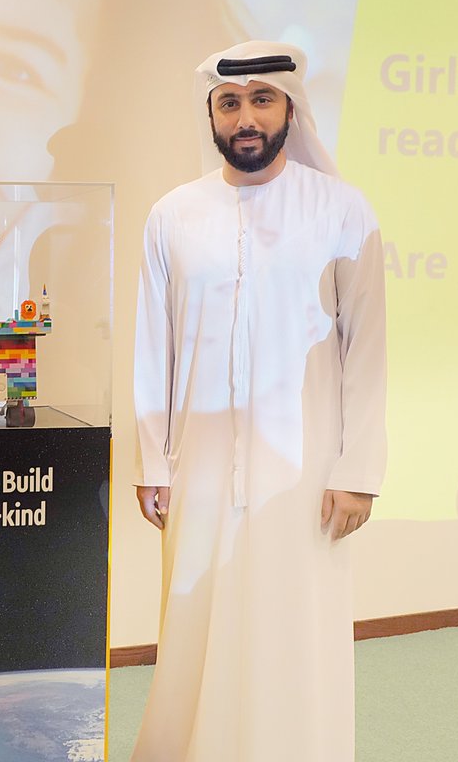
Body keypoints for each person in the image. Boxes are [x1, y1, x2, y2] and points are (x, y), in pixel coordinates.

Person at [131, 41, 387, 762]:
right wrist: (152, 461)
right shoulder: (172, 216)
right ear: (211, 114)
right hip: (200, 469)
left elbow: (366, 348)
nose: (246, 118)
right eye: (230, 103)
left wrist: (359, 469)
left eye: (261, 100)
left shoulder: (341, 209)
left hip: (307, 471)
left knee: (294, 625)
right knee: (197, 620)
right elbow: (156, 347)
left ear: (288, 108)